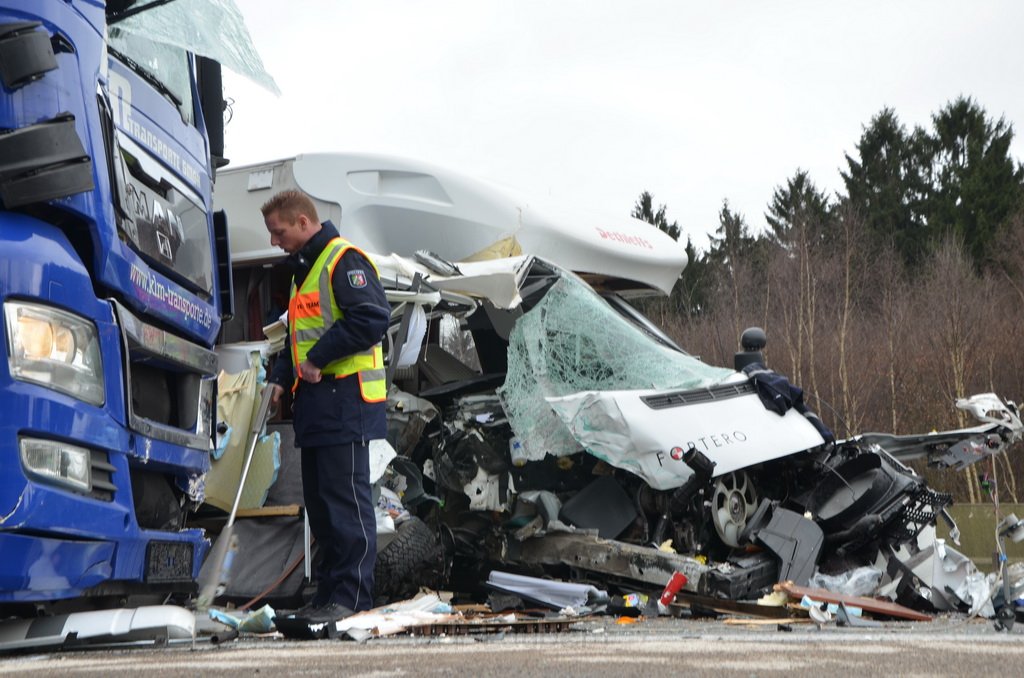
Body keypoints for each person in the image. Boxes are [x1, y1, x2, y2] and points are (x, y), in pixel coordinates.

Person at [262, 190, 390, 623]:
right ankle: (330, 595)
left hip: (346, 401)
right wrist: (280, 378)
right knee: (321, 505)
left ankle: (353, 598)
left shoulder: (342, 261)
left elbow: (371, 318)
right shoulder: (304, 274)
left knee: (345, 503)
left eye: (278, 233)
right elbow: (297, 340)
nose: (275, 242)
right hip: (316, 407)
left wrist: (318, 359)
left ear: (302, 221)